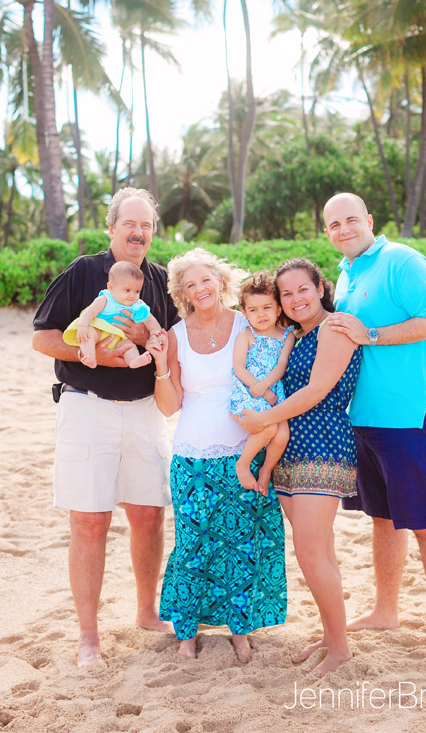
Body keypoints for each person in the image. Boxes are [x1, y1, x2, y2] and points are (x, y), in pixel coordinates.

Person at [32, 187, 180, 668]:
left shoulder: (159, 280)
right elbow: (43, 337)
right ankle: (88, 636)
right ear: (111, 228)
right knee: (90, 520)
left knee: (149, 514)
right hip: (87, 407)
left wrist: (144, 342)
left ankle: (146, 611)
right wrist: (94, 355)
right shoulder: (83, 273)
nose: (139, 233)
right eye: (130, 224)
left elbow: (176, 345)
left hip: (145, 410)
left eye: (147, 226)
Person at [323, 191, 426, 669]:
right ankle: (386, 611)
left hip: (410, 418)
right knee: (383, 519)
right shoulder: (347, 273)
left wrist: (373, 334)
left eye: (350, 220)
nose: (344, 229)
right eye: (334, 225)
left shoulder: (401, 260)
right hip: (363, 419)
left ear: (368, 219)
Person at [146, 249, 287, 662]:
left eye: (205, 280)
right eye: (190, 284)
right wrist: (159, 365)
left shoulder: (250, 322)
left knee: (243, 544)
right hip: (191, 455)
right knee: (192, 545)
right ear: (182, 293)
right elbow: (170, 405)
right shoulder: (175, 334)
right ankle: (186, 633)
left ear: (221, 282)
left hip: (245, 450)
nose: (200, 289)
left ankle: (240, 632)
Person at [237, 259, 362, 675]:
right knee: (319, 549)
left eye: (302, 290)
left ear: (320, 287)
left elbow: (318, 388)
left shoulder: (336, 327)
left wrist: (263, 421)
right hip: (291, 444)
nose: (295, 299)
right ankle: (332, 634)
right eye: (286, 294)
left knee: (310, 550)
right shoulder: (296, 334)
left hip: (324, 443)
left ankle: (341, 648)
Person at [230, 271, 295, 495]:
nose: (261, 314)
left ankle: (267, 470)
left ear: (278, 309)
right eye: (253, 310)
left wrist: (267, 387)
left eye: (267, 307)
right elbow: (238, 368)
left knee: (283, 434)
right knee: (269, 428)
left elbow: (282, 364)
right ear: (245, 313)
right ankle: (243, 463)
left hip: (274, 389)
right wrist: (260, 389)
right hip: (250, 389)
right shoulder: (246, 335)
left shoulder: (287, 335)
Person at [63, 260, 160, 369]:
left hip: (118, 338)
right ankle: (90, 357)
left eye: (137, 291)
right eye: (127, 290)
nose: (132, 295)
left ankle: (133, 361)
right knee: (88, 335)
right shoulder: (105, 299)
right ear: (111, 287)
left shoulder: (138, 305)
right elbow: (89, 312)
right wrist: (82, 326)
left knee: (129, 346)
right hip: (99, 331)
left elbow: (150, 320)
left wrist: (155, 331)